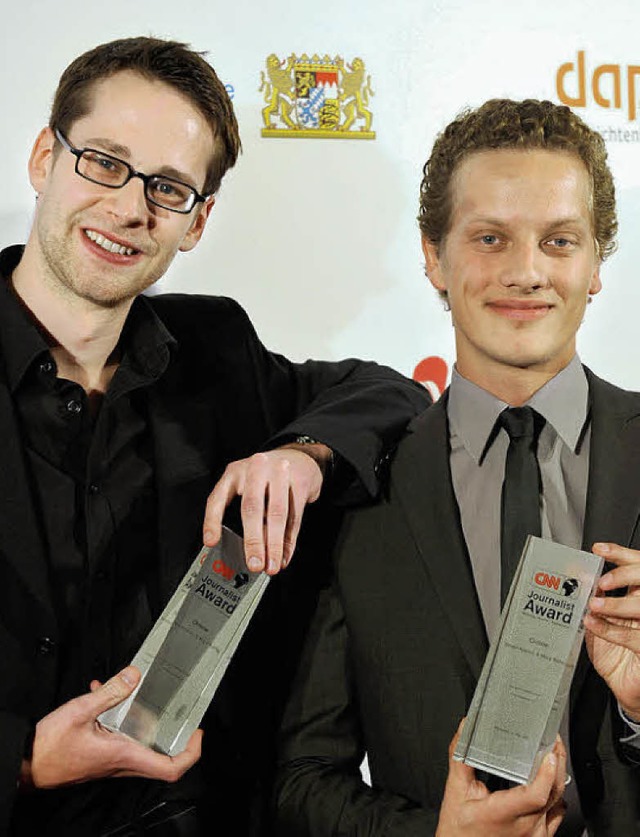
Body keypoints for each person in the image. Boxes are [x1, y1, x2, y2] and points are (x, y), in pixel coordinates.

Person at [0, 36, 430, 836]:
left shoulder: (218, 348)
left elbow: (389, 391)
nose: (130, 208)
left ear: (196, 222)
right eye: (103, 161)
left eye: (167, 187)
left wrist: (303, 453)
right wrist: (26, 758)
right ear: (42, 158)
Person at [275, 98, 640, 835]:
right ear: (433, 256)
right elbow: (299, 781)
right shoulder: (359, 487)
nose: (527, 271)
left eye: (560, 240)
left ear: (598, 261)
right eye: (490, 237)